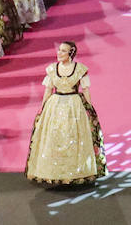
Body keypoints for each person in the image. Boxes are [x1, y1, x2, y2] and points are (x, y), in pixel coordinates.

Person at [26, 41, 107, 185]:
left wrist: (90, 106)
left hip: (74, 105)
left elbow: (86, 90)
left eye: (63, 51)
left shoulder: (79, 69)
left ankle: (77, 172)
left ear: (71, 53)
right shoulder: (52, 69)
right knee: (54, 136)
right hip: (55, 105)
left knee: (74, 136)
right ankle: (54, 172)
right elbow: (48, 90)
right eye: (59, 50)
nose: (59, 53)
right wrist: (42, 107)